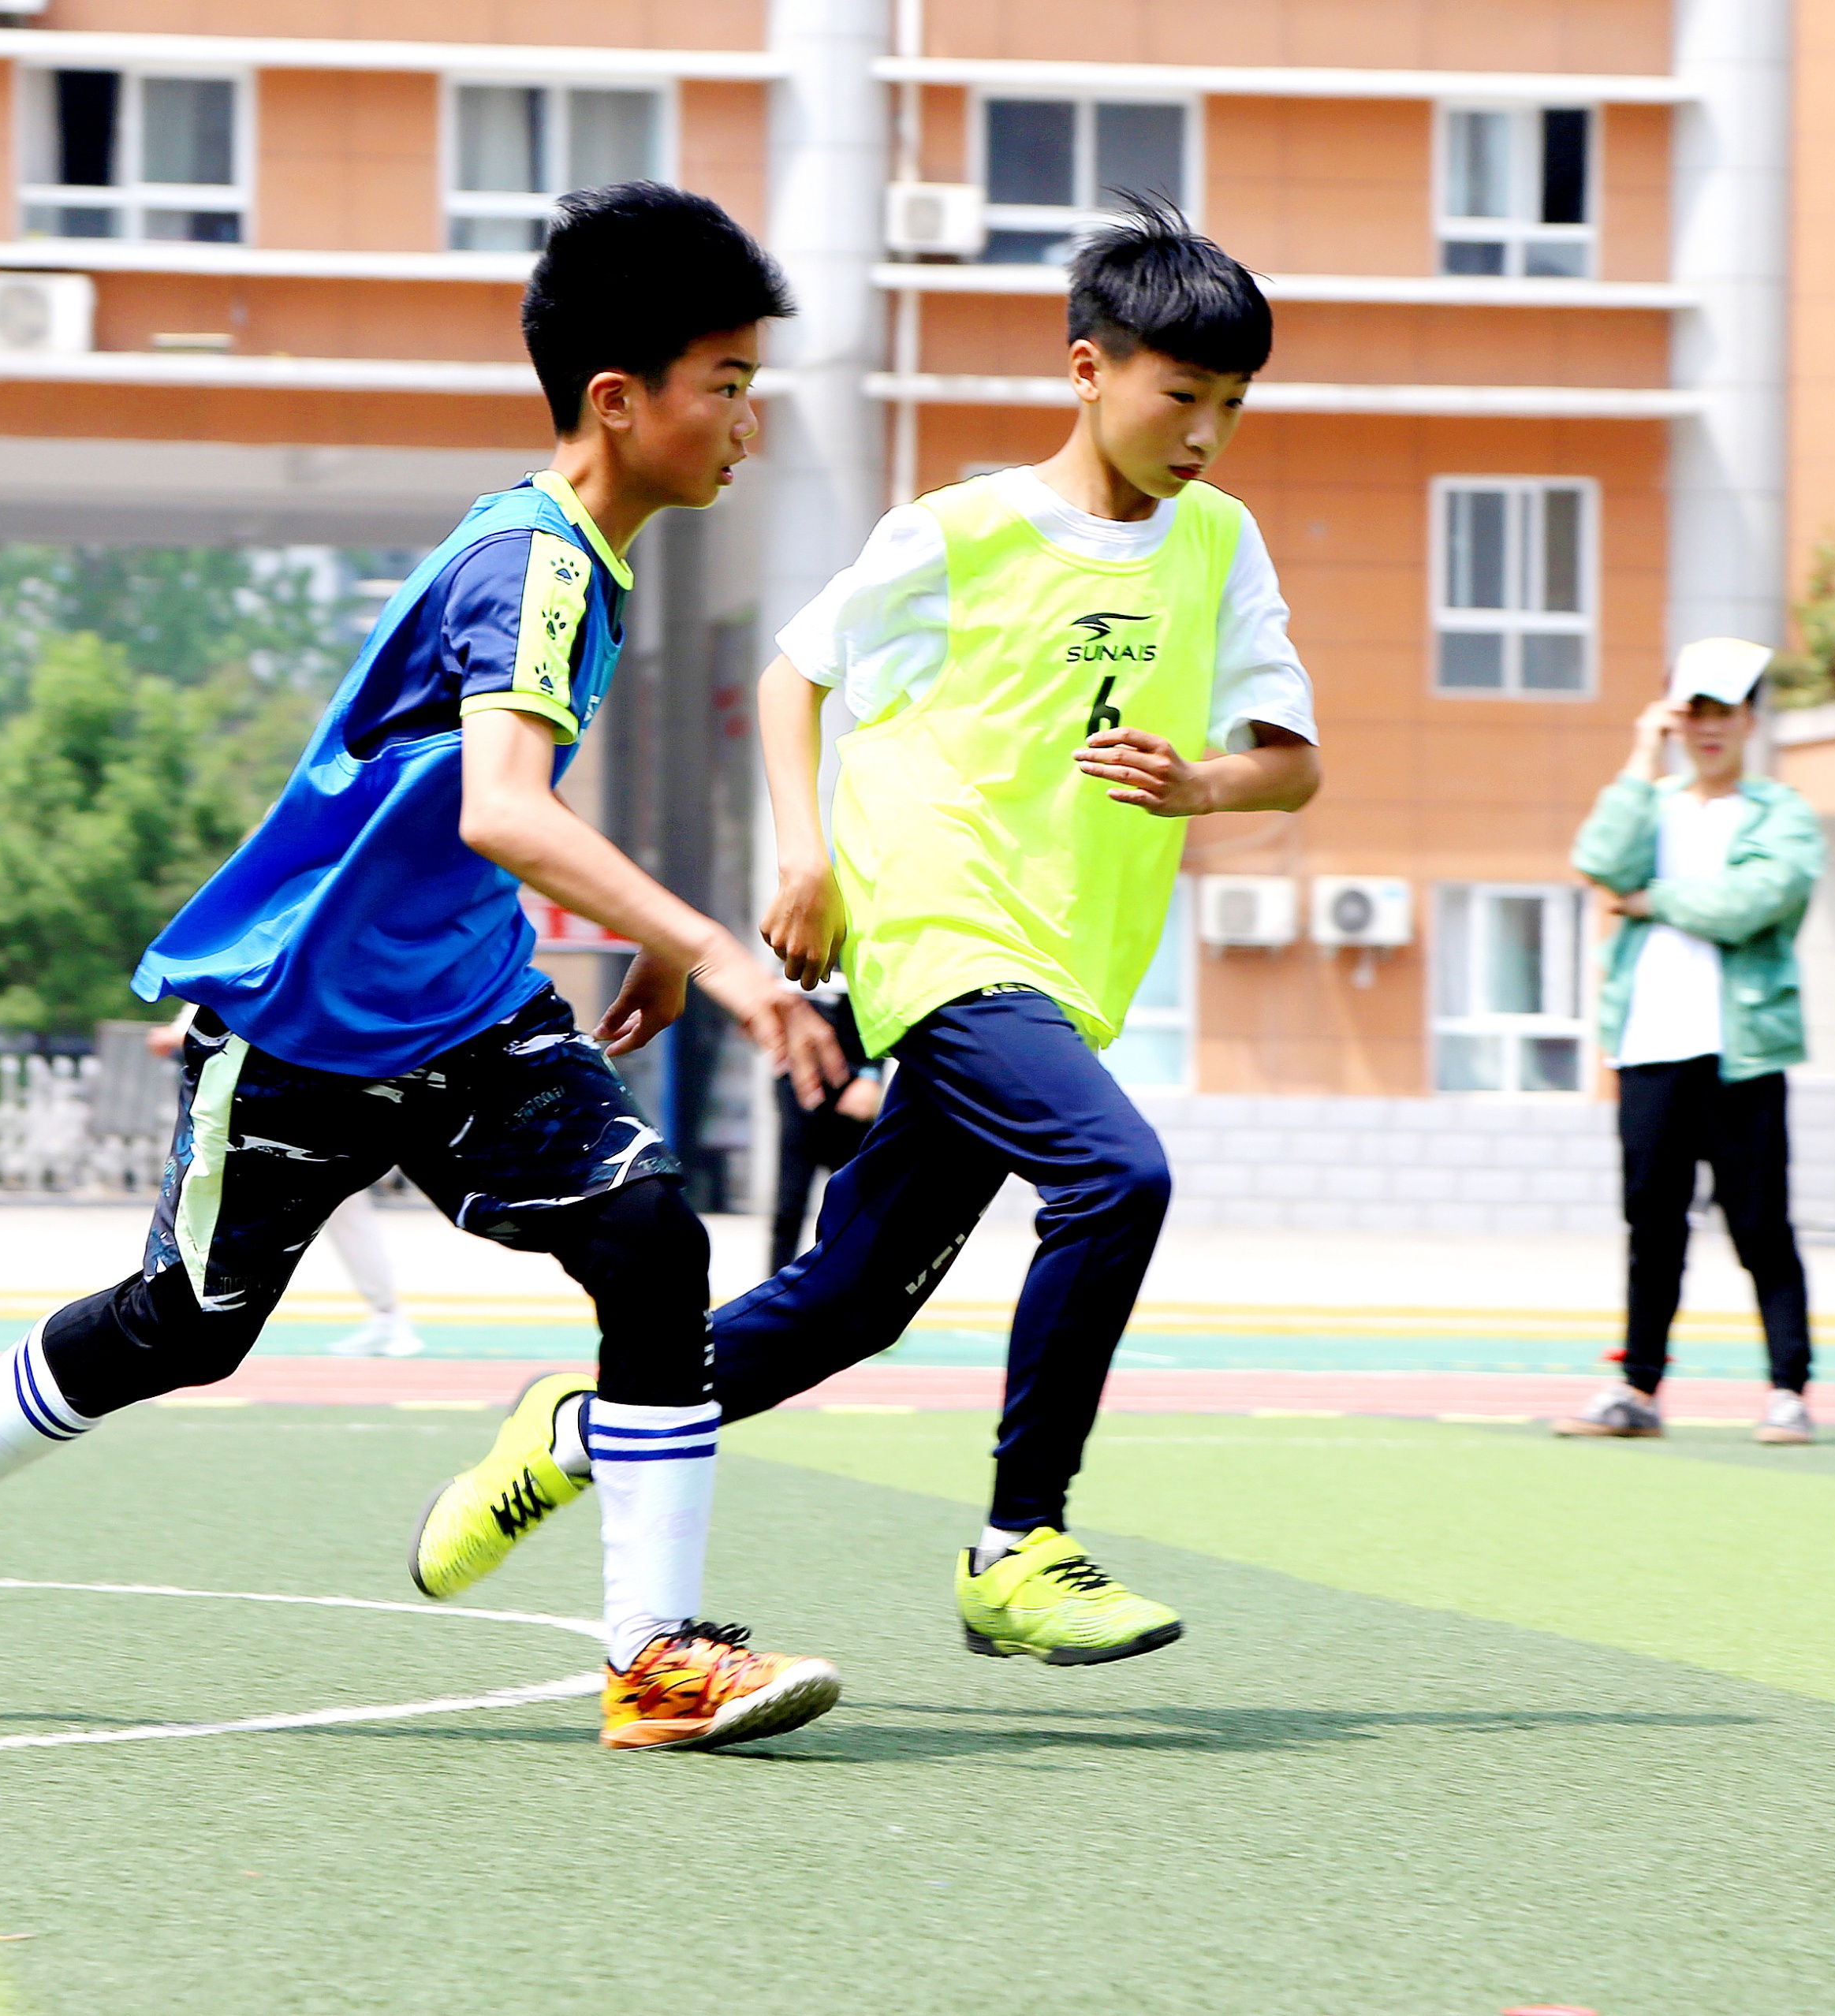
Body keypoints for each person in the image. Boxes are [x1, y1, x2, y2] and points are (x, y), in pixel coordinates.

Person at [0, 184, 852, 1753]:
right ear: (621, 398)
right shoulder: (534, 568)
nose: (749, 424)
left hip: (468, 1017)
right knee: (189, 1326)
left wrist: (642, 940)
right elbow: (501, 806)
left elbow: (482, 813)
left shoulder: (577, 560)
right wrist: (714, 947)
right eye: (726, 386)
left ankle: (655, 1655)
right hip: (300, 1025)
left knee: (654, 1249)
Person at [412, 199, 1321, 1668]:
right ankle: (1020, 1541)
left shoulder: (1218, 544)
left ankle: (570, 1428)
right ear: (1087, 370)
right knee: (1115, 1173)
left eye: (1230, 406)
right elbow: (795, 674)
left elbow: (1289, 760)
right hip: (943, 933)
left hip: (1066, 966)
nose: (1205, 432)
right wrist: (808, 857)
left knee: (843, 1306)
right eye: (1180, 395)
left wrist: (1199, 778)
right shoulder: (957, 530)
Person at [1553, 637, 1826, 1446]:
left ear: (1750, 719)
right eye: (1694, 711)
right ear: (1676, 717)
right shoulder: (1653, 802)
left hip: (1743, 1051)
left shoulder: (1784, 814)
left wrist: (1655, 899)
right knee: (1652, 1222)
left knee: (1760, 1225)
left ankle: (1789, 1390)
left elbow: (1754, 900)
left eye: (1726, 711)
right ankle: (1636, 1389)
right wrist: (1641, 752)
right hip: (1649, 1046)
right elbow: (1598, 859)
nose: (1710, 728)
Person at [147, 1009, 420, 1357]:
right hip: (280, 1117)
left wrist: (175, 1036)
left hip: (300, 1117)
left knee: (339, 1216)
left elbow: (184, 1036)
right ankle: (387, 1315)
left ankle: (388, 1316)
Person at [768, 984, 881, 1273]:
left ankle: (852, 1283)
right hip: (797, 1083)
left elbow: (881, 1004)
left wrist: (872, 1075)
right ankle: (774, 1290)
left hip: (851, 1081)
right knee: (789, 1203)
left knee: (853, 1202)